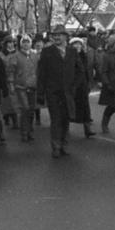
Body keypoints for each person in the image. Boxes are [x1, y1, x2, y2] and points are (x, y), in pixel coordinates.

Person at [37, 24, 78, 158]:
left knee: (66, 119)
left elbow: (80, 71)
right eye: (54, 35)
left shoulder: (72, 51)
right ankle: (56, 146)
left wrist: (74, 88)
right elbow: (41, 73)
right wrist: (40, 93)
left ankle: (64, 144)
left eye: (59, 35)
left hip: (68, 92)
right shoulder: (47, 52)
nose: (57, 37)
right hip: (53, 92)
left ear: (65, 36)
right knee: (56, 119)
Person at [6, 34, 39, 142]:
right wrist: (11, 85)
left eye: (27, 42)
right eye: (24, 42)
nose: (26, 44)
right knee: (25, 109)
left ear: (30, 43)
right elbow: (11, 72)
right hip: (21, 87)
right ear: (21, 44)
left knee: (31, 110)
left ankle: (30, 131)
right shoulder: (15, 56)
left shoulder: (35, 56)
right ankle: (24, 132)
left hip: (33, 87)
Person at [69, 37, 97, 138]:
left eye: (79, 44)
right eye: (75, 44)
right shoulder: (69, 56)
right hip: (73, 84)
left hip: (83, 84)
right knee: (70, 106)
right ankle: (65, 126)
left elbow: (87, 70)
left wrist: (89, 82)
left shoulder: (84, 56)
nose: (77, 46)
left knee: (85, 107)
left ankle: (87, 128)